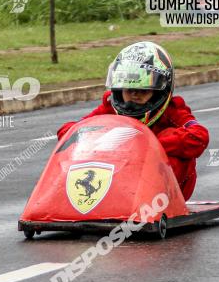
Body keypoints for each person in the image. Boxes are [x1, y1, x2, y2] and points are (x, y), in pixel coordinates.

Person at [56, 42, 209, 199]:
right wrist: (94, 140)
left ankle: (151, 199)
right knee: (76, 148)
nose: (134, 96)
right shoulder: (109, 108)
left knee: (170, 135)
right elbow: (69, 130)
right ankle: (70, 198)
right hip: (119, 182)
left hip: (165, 193)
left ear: (159, 90)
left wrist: (151, 144)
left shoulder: (173, 110)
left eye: (142, 90)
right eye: (129, 90)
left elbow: (199, 136)